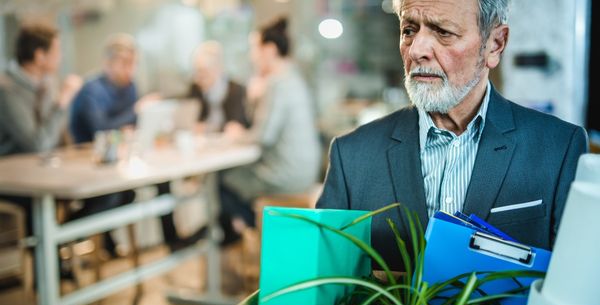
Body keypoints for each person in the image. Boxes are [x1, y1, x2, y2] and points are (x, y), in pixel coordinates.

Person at [316, 0, 588, 271]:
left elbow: (576, 282)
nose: (417, 50)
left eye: (443, 32)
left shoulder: (559, 149)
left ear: (495, 44)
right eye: (409, 30)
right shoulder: (351, 156)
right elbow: (320, 288)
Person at [69, 34, 182, 253]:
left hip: (121, 160)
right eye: (124, 63)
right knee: (113, 196)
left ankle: (172, 240)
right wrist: (136, 111)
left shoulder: (130, 87)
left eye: (133, 64)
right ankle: (63, 238)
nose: (130, 70)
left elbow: (132, 127)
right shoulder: (91, 90)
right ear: (108, 63)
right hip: (88, 165)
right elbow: (100, 129)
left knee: (161, 181)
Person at [218, 18, 321, 244]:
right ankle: (257, 230)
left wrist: (236, 135)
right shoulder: (294, 78)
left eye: (254, 48)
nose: (251, 56)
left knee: (221, 179)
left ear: (270, 50)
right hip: (305, 172)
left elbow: (263, 136)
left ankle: (257, 231)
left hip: (284, 175)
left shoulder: (277, 83)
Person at [0, 23, 82, 231]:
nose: (60, 57)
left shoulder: (47, 83)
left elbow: (57, 135)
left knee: (110, 195)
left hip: (45, 172)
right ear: (40, 56)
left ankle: (64, 249)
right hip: (14, 182)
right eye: (57, 51)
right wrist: (62, 102)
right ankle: (54, 254)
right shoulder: (6, 89)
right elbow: (37, 144)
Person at [187, 40, 249, 132]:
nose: (198, 78)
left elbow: (236, 126)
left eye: (203, 72)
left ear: (217, 69)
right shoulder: (196, 88)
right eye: (196, 72)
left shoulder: (236, 90)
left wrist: (208, 128)